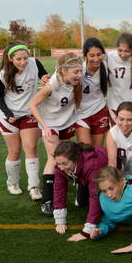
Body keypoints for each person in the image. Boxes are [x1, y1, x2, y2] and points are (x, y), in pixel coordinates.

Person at [0, 42, 49, 200]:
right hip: (7, 116)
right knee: (15, 151)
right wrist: (7, 112)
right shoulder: (2, 75)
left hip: (28, 113)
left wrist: (45, 78)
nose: (23, 62)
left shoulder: (34, 63)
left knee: (31, 147)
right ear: (10, 58)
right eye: (19, 59)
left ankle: (34, 186)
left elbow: (44, 76)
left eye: (25, 58)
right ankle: (12, 182)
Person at [29, 52, 82, 216]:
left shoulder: (74, 81)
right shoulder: (52, 85)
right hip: (51, 124)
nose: (79, 75)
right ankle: (47, 201)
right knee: (54, 159)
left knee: (66, 158)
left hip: (66, 122)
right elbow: (32, 104)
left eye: (80, 71)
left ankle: (60, 191)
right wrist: (44, 126)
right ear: (64, 71)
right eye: (76, 72)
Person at [52, 141, 107, 241]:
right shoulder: (60, 167)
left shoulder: (92, 166)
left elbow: (94, 196)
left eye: (64, 164)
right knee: (82, 202)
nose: (61, 168)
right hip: (85, 178)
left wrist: (86, 231)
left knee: (106, 205)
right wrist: (60, 220)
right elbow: (59, 189)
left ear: (75, 160)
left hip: (112, 171)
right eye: (58, 163)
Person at [75, 37, 109, 147]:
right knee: (85, 150)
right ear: (85, 56)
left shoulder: (107, 68)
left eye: (99, 54)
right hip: (81, 114)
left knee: (97, 151)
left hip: (99, 111)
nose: (96, 58)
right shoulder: (78, 70)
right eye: (92, 55)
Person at [107, 33, 132, 124]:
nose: (123, 54)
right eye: (120, 50)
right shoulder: (109, 57)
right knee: (118, 137)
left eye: (127, 51)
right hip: (116, 106)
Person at [106, 101, 132, 174]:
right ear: (116, 119)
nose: (125, 124)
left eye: (129, 120)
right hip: (120, 174)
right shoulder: (112, 133)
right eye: (121, 119)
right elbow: (112, 163)